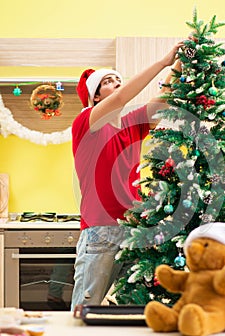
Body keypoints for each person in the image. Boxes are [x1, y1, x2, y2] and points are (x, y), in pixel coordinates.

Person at [71, 42, 183, 310]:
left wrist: (181, 64)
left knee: (126, 309)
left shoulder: (131, 126)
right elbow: (121, 99)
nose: (117, 84)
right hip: (100, 230)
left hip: (133, 230)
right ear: (96, 97)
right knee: (86, 308)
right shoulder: (86, 122)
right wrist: (162, 62)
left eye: (119, 79)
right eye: (108, 82)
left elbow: (162, 98)